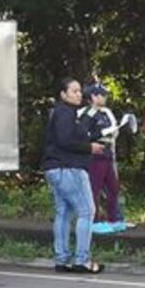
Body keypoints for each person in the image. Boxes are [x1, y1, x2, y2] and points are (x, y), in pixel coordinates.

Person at [43, 78, 105, 273]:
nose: (79, 94)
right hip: (68, 167)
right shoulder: (65, 113)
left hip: (55, 167)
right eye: (74, 91)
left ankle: (62, 258)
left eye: (80, 91)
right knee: (87, 211)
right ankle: (82, 259)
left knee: (64, 212)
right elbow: (65, 140)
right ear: (63, 94)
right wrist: (89, 147)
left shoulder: (65, 113)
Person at [84, 83, 129, 234]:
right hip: (95, 155)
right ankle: (93, 220)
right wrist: (106, 131)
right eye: (101, 95)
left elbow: (114, 130)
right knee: (94, 187)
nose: (104, 98)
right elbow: (86, 135)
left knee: (113, 187)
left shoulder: (106, 113)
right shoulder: (87, 114)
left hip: (109, 152)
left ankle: (114, 218)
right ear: (93, 97)